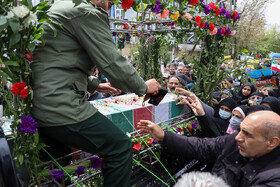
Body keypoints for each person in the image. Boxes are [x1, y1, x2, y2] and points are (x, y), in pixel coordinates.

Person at [30, 0, 161, 186]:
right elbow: (113, 63)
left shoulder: (53, 6)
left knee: (57, 160)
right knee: (120, 148)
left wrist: (94, 85)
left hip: (37, 104)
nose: (110, 6)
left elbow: (54, 62)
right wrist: (144, 87)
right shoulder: (86, 12)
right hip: (59, 107)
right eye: (110, 2)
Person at [138, 111, 280, 187]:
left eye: (247, 134)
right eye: (240, 130)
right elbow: (202, 146)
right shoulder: (234, 141)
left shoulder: (274, 178)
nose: (238, 137)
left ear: (272, 142)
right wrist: (164, 136)